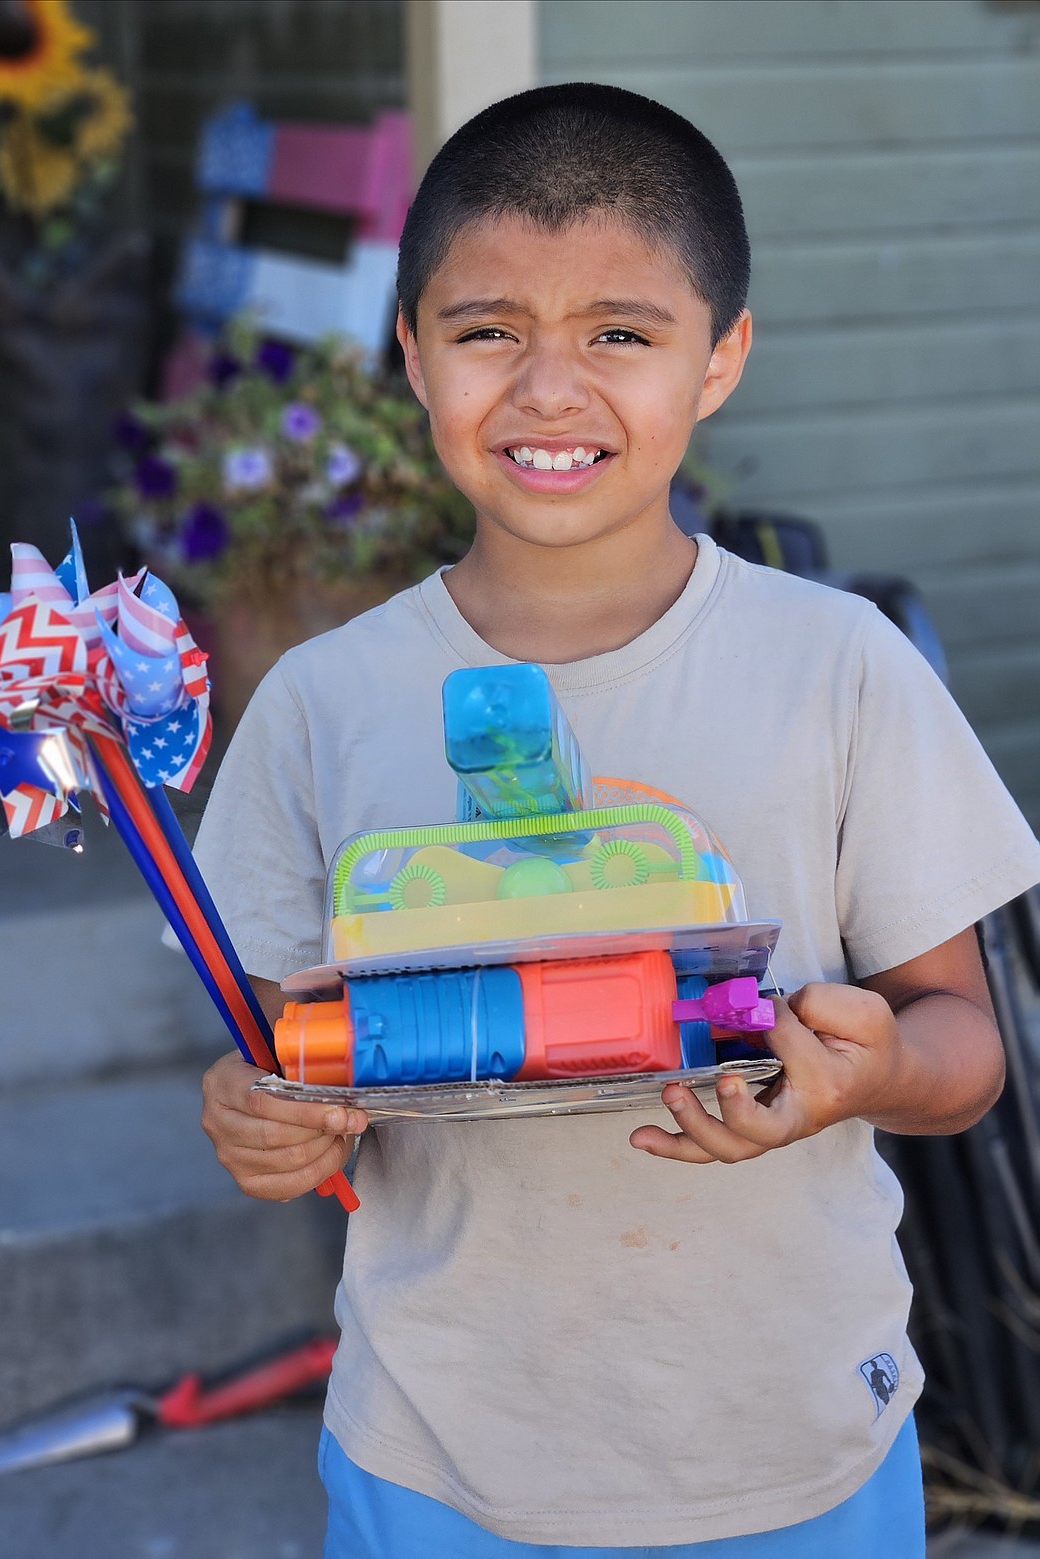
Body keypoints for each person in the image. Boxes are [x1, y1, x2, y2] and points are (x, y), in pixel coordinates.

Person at [197, 84, 1040, 1556]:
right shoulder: (322, 703)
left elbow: (960, 1051)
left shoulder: (840, 669)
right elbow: (299, 1059)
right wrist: (267, 1121)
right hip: (437, 1456)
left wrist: (868, 1071)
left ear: (719, 358)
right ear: (410, 353)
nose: (545, 392)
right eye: (485, 332)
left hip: (797, 1451)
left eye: (620, 334)